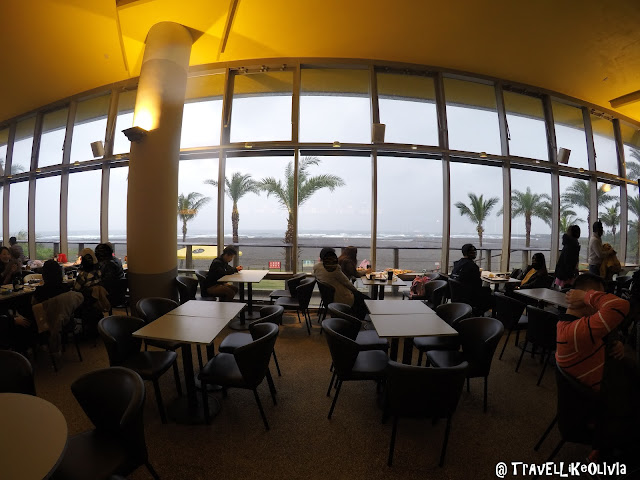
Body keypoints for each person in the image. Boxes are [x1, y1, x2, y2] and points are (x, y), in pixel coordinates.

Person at [556, 273, 640, 462]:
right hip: (594, 410)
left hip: (584, 401)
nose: (601, 303)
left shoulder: (571, 326)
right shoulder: (577, 332)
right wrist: (587, 296)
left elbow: (607, 332)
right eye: (599, 297)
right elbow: (621, 305)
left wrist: (616, 344)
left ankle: (603, 448)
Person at [31, 260, 83, 355]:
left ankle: (40, 344)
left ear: (44, 274)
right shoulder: (65, 287)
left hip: (47, 323)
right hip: (66, 321)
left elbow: (35, 308)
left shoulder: (40, 291)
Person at [313, 250, 369, 319]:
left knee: (361, 298)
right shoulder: (334, 268)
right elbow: (347, 282)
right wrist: (356, 291)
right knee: (366, 300)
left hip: (327, 298)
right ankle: (357, 321)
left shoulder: (316, 267)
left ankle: (353, 319)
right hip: (340, 297)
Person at [554, 224, 581, 289]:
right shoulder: (573, 245)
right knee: (567, 290)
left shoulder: (568, 243)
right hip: (567, 275)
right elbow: (570, 261)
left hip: (562, 273)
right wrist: (572, 273)